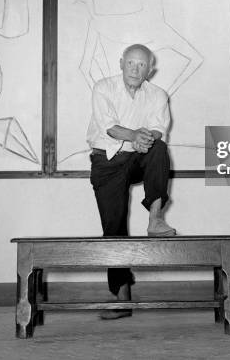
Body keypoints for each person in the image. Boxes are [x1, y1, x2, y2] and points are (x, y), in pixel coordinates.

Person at [87, 43, 176, 319]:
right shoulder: (103, 88)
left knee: (159, 149)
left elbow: (159, 130)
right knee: (113, 228)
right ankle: (122, 298)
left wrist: (146, 138)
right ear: (121, 63)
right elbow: (110, 127)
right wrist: (135, 135)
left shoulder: (159, 94)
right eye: (131, 63)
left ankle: (155, 219)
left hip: (139, 155)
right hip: (107, 159)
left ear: (150, 69)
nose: (135, 69)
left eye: (141, 65)